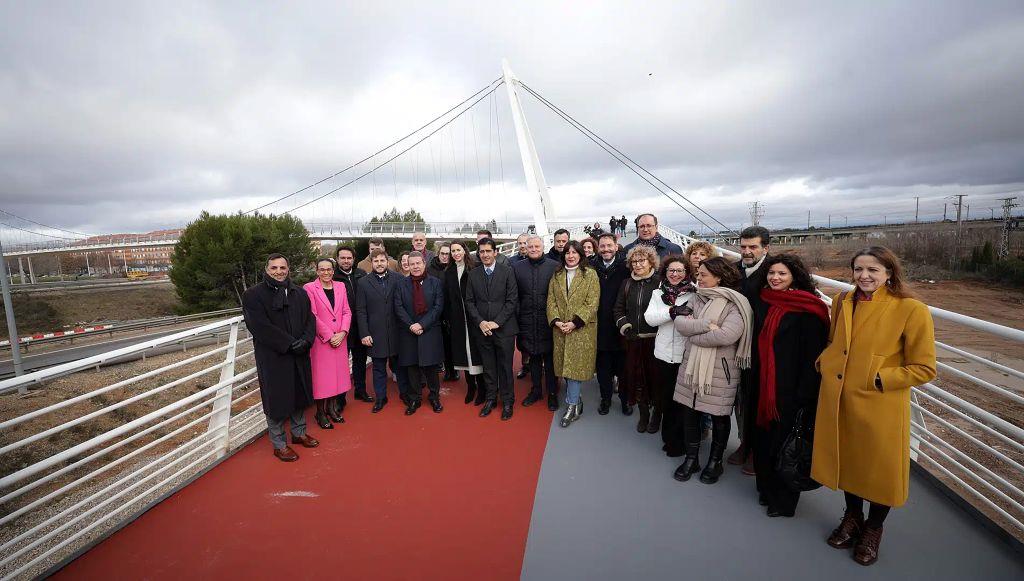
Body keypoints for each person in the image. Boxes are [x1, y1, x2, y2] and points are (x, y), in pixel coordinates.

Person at [813, 247, 936, 566]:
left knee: (880, 469)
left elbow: (924, 367)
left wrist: (879, 378)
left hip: (881, 404)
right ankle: (853, 517)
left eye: (873, 270)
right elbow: (834, 342)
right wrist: (825, 362)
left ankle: (874, 528)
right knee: (849, 460)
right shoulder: (842, 300)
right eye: (858, 269)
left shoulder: (911, 309)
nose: (864, 276)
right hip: (840, 396)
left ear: (889, 273)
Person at [747, 253, 829, 517]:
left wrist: (805, 394)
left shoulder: (809, 308)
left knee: (784, 443)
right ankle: (765, 488)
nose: (775, 278)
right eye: (771, 273)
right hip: (762, 384)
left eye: (782, 273)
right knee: (763, 439)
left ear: (795, 276)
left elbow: (813, 356)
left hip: (791, 388)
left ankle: (783, 502)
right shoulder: (763, 300)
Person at [672, 257, 754, 484]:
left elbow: (727, 335)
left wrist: (694, 334)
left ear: (719, 277)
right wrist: (706, 325)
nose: (698, 278)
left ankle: (715, 462)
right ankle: (691, 458)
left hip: (720, 371)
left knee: (719, 416)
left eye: (703, 275)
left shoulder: (735, 303)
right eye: (698, 274)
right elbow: (679, 323)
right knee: (690, 412)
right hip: (692, 366)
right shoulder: (696, 297)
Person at [242, 254, 318, 462]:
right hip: (273, 356)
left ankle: (299, 433)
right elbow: (259, 326)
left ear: (288, 269)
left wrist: (306, 340)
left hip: (299, 353)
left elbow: (310, 319)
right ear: (266, 270)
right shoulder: (253, 295)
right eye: (274, 268)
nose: (279, 272)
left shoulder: (299, 293)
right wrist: (288, 343)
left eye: (282, 268)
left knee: (299, 393)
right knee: (275, 399)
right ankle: (279, 444)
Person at [731, 226, 771, 474]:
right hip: (738, 344)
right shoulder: (735, 270)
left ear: (765, 248)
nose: (747, 251)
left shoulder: (774, 272)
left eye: (753, 247)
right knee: (741, 396)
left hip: (764, 345)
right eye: (743, 246)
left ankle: (759, 449)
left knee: (760, 397)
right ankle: (745, 442)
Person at [465, 237, 519, 420]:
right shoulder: (473, 274)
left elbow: (512, 300)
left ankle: (508, 401)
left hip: (504, 330)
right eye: (482, 251)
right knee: (488, 367)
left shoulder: (507, 272)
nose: (485, 254)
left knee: (505, 367)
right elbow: (469, 302)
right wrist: (481, 322)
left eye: (488, 251)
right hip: (482, 330)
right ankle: (490, 399)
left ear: (495, 252)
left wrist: (497, 322)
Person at [547, 240, 600, 428]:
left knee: (574, 369)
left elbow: (592, 302)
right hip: (561, 329)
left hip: (581, 330)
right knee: (566, 367)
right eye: (567, 253)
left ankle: (571, 405)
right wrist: (556, 321)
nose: (571, 256)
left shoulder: (590, 274)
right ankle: (576, 400)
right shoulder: (557, 275)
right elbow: (551, 300)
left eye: (574, 252)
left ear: (580, 255)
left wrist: (574, 323)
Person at [643, 255, 693, 451]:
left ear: (686, 273)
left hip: (685, 354)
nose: (675, 274)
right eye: (671, 270)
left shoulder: (694, 294)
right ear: (665, 272)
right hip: (663, 353)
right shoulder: (658, 293)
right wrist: (672, 312)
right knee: (665, 397)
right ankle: (669, 438)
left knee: (681, 401)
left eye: (680, 270)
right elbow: (650, 318)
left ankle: (679, 441)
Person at [355, 249, 411, 412]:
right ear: (371, 263)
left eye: (382, 260)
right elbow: (361, 310)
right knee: (378, 367)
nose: (379, 264)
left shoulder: (399, 279)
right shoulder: (363, 283)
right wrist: (364, 333)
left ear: (387, 262)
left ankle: (404, 393)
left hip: (397, 331)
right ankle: (381, 398)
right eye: (376, 261)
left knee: (401, 366)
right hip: (375, 333)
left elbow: (405, 304)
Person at [614, 245, 662, 432]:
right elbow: (618, 309)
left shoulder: (660, 283)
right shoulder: (627, 284)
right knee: (638, 379)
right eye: (634, 261)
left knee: (656, 380)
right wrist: (625, 327)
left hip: (656, 341)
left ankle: (656, 415)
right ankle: (643, 415)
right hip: (633, 340)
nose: (637, 264)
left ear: (651, 262)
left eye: (642, 260)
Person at [394, 252, 446, 415]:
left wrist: (422, 324)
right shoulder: (401, 284)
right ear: (407, 265)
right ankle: (415, 398)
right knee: (412, 368)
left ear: (424, 263)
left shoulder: (435, 283)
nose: (415, 267)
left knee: (431, 367)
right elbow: (398, 307)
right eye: (412, 264)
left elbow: (438, 307)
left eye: (418, 263)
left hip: (430, 330)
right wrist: (411, 325)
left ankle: (434, 397)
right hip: (409, 332)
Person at [304, 258, 353, 429]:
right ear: (317, 271)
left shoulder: (340, 286)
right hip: (322, 341)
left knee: (337, 376)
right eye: (322, 269)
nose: (326, 272)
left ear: (333, 270)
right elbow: (312, 315)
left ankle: (332, 409)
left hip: (340, 338)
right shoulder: (309, 288)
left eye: (329, 269)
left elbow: (346, 311)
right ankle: (320, 412)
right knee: (322, 379)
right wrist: (329, 335)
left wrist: (343, 332)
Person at [513, 235, 560, 410]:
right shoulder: (517, 267)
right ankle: (536, 390)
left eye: (537, 246)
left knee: (550, 359)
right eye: (530, 246)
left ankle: (552, 393)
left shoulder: (555, 266)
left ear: (542, 247)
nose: (533, 249)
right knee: (533, 357)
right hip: (526, 320)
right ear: (526, 248)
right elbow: (514, 296)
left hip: (548, 321)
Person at [592, 233, 630, 415]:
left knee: (623, 370)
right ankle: (605, 399)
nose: (606, 249)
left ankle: (625, 400)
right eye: (602, 246)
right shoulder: (591, 267)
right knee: (603, 369)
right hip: (599, 327)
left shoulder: (626, 267)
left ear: (616, 246)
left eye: (609, 245)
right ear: (598, 248)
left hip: (621, 327)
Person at [444, 241, 486, 404]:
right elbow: (447, 297)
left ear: (464, 251)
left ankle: (482, 388)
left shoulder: (475, 267)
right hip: (458, 320)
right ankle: (471, 387)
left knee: (477, 353)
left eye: (458, 250)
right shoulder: (449, 272)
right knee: (464, 354)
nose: (456, 253)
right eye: (453, 251)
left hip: (475, 318)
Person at [334, 246, 372, 403]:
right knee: (341, 364)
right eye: (342, 258)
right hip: (341, 329)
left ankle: (360, 390)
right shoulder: (333, 277)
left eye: (349, 258)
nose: (346, 261)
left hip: (360, 326)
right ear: (337, 259)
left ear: (354, 259)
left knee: (360, 361)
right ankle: (340, 398)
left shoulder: (361, 274)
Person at [427, 243, 457, 381]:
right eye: (443, 253)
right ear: (438, 254)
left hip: (452, 312)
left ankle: (452, 370)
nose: (445, 256)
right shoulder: (429, 269)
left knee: (451, 343)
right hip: (434, 312)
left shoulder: (455, 267)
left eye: (448, 254)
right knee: (438, 343)